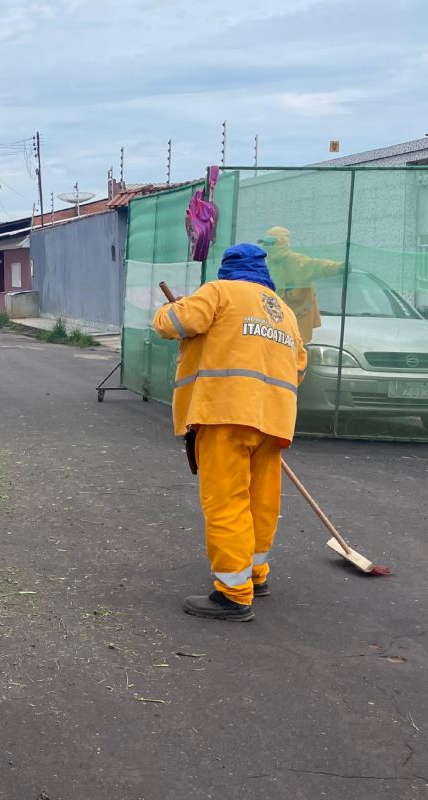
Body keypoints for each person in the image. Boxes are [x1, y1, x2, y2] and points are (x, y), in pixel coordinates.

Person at [152, 244, 307, 621]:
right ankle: (255, 575)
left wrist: (173, 307)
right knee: (261, 500)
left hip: (225, 414)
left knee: (227, 501)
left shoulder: (219, 292)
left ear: (228, 269)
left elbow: (173, 324)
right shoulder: (284, 313)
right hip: (274, 421)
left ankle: (233, 594)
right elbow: (299, 367)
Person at [258, 226, 344, 345]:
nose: (267, 246)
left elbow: (318, 266)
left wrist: (339, 268)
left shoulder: (297, 262)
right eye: (266, 243)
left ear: (282, 242)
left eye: (271, 243)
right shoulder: (268, 265)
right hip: (276, 322)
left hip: (298, 323)